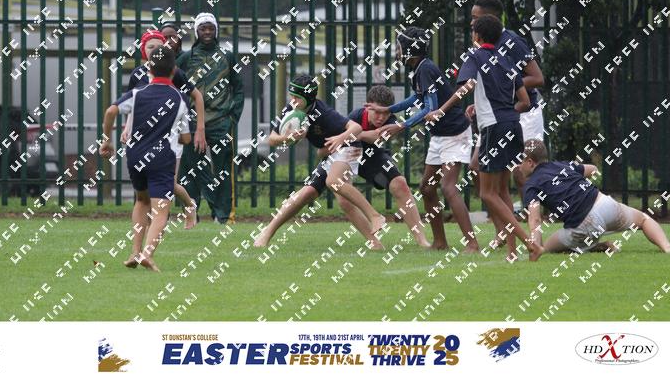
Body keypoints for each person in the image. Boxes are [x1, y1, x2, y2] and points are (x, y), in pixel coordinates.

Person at [254, 84, 431, 248]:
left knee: (400, 184)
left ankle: (421, 240)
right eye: (376, 112)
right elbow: (323, 149)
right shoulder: (354, 116)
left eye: (385, 113)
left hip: (371, 156)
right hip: (341, 152)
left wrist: (351, 136)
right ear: (367, 107)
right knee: (318, 194)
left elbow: (378, 137)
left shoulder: (390, 119)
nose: (381, 117)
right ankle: (375, 243)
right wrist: (292, 137)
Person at [427, 15, 543, 261]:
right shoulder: (507, 60)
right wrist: (506, 114)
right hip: (513, 125)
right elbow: (524, 101)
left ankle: (530, 244)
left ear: (477, 36)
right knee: (502, 191)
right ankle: (512, 252)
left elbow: (466, 86)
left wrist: (441, 110)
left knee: (488, 193)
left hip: (493, 128)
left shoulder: (475, 56)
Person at [369, 27, 479, 252]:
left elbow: (430, 108)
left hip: (455, 133)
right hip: (440, 134)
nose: (397, 52)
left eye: (399, 47)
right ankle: (440, 242)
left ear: (410, 49)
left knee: (448, 187)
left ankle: (472, 244)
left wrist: (401, 125)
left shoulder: (425, 69)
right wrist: (389, 109)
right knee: (427, 188)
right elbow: (416, 98)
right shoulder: (420, 68)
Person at [100, 46, 191, 272]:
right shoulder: (179, 99)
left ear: (149, 69)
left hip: (135, 155)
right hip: (162, 157)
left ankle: (134, 251)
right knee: (161, 209)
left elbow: (110, 111)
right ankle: (147, 255)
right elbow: (186, 138)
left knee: (141, 200)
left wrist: (106, 140)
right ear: (174, 70)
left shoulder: (137, 93)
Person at [519, 139, 670, 254]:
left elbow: (535, 220)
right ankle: (667, 247)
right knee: (644, 219)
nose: (518, 166)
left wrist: (536, 247)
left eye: (520, 161)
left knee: (548, 248)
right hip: (605, 205)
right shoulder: (562, 165)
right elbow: (593, 169)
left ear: (530, 162)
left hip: (583, 225)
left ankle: (591, 246)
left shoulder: (531, 184)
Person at [123, 29, 205, 229]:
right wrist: (127, 126)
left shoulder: (174, 72)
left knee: (168, 185)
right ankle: (156, 225)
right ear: (143, 50)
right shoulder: (137, 75)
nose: (154, 51)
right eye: (150, 47)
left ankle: (186, 207)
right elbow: (132, 103)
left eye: (158, 47)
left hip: (170, 136)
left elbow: (197, 96)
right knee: (146, 189)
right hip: (144, 137)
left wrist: (200, 129)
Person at [468, 0, 545, 199]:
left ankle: (536, 215)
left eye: (475, 18)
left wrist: (505, 86)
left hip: (524, 114)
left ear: (490, 18)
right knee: (475, 167)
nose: (471, 23)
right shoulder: (482, 45)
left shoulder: (512, 41)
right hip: (495, 115)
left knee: (520, 173)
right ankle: (502, 218)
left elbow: (537, 78)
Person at [177, 13, 244, 224]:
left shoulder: (227, 56)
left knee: (223, 169)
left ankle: (223, 216)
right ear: (196, 31)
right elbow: (175, 87)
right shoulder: (186, 58)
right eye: (203, 28)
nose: (207, 32)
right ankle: (191, 213)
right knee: (190, 169)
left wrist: (233, 117)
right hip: (191, 123)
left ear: (216, 30)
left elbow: (239, 88)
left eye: (210, 28)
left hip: (221, 122)